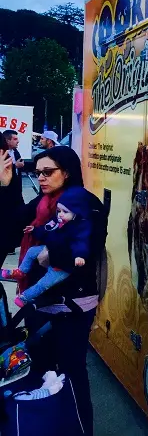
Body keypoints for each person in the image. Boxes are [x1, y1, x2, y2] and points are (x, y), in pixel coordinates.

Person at [0, 147, 106, 435]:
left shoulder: (87, 204)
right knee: (43, 371)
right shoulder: (43, 203)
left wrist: (49, 252)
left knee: (72, 372)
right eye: (37, 173)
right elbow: (10, 225)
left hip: (72, 305)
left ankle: (82, 430)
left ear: (67, 171)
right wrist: (8, 185)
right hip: (39, 303)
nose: (42, 178)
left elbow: (82, 257)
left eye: (48, 172)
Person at [1, 185, 92, 308]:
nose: (60, 215)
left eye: (65, 212)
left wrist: (79, 255)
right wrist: (35, 230)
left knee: (43, 283)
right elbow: (46, 229)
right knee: (32, 251)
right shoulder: (59, 220)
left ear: (77, 212)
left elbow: (81, 242)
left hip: (62, 266)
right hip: (51, 252)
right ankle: (21, 271)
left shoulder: (80, 227)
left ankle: (25, 297)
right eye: (59, 211)